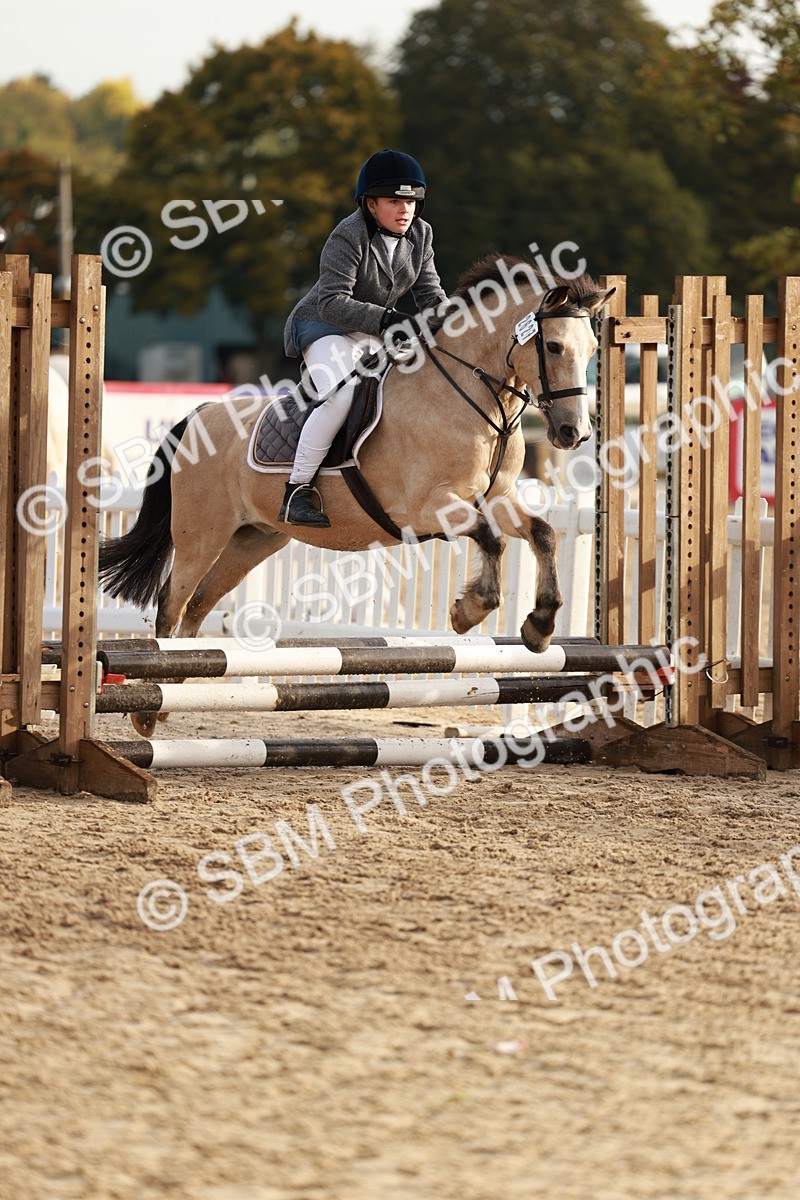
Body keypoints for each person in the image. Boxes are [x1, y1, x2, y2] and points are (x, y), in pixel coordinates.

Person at [279, 148, 448, 527]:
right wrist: (388, 319)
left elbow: (430, 294)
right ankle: (296, 490)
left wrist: (458, 321)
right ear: (370, 205)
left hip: (370, 329)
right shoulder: (348, 234)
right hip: (322, 325)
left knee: (407, 384)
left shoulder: (421, 234)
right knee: (343, 393)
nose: (405, 210)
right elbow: (332, 301)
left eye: (411, 201)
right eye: (394, 201)